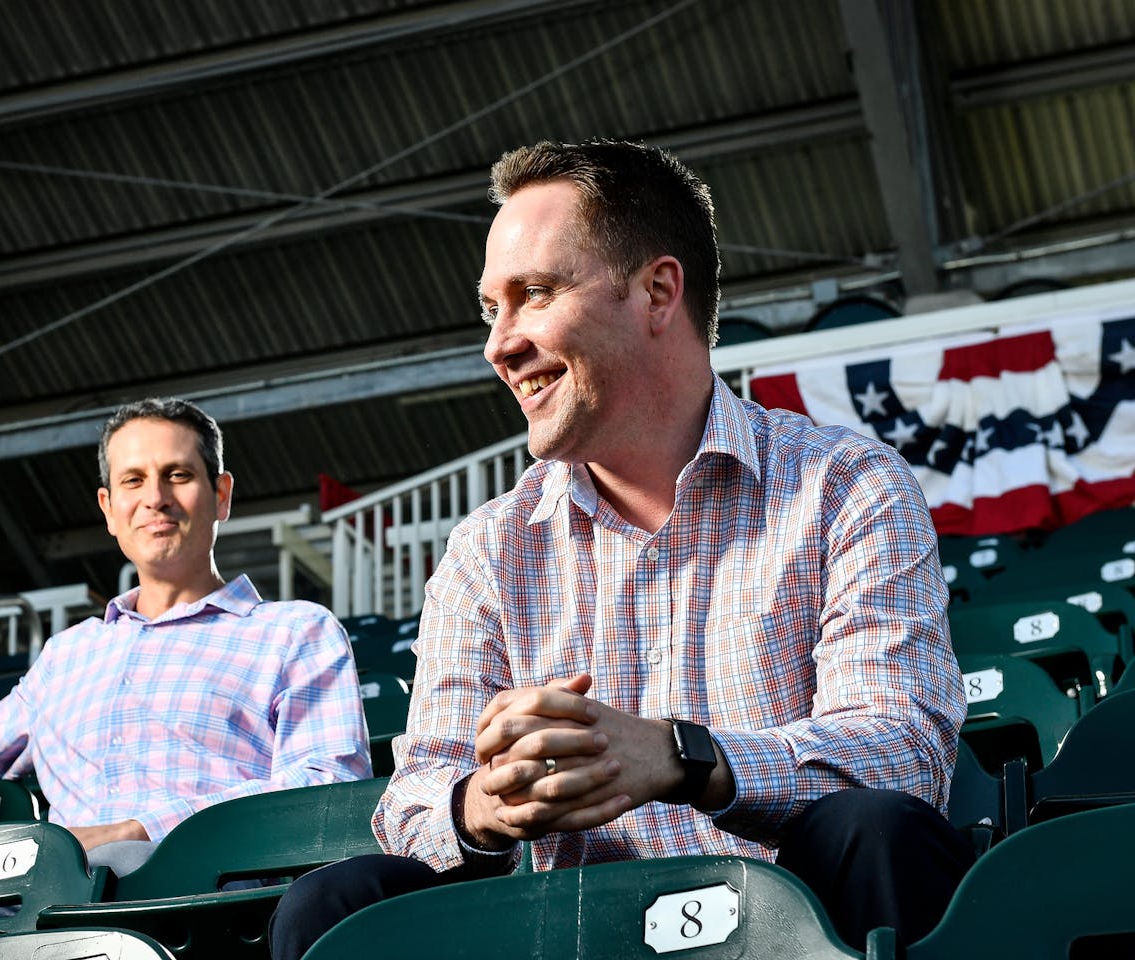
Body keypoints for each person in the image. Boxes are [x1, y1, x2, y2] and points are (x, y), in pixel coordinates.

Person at [271, 139, 971, 956]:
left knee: (876, 827)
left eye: (533, 294)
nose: (499, 345)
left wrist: (679, 756)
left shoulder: (848, 484)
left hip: (787, 932)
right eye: (491, 309)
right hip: (567, 936)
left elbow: (903, 756)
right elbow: (416, 802)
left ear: (657, 292)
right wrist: (486, 806)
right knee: (337, 904)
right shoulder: (485, 551)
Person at [0, 397, 372, 875]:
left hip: (214, 887)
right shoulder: (68, 654)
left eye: (178, 475)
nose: (156, 498)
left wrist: (144, 829)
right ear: (109, 508)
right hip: (58, 898)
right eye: (133, 481)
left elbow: (326, 784)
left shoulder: (296, 632)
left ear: (220, 495)